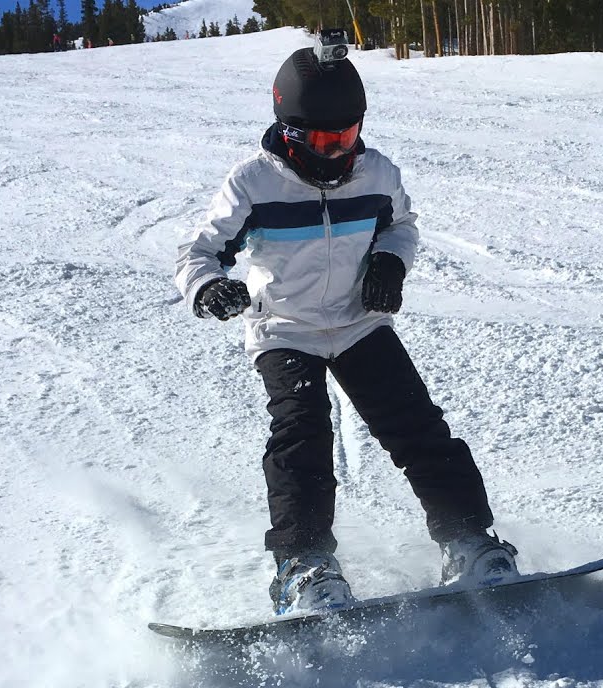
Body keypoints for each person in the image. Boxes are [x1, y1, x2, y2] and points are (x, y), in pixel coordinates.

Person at [174, 43, 519, 616]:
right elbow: (198, 251)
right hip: (287, 328)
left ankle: (470, 542)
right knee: (301, 436)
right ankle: (304, 565)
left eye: (349, 134)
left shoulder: (377, 172)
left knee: (418, 427)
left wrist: (389, 260)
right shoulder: (254, 183)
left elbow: (402, 226)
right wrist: (210, 287)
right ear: (290, 131)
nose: (339, 150)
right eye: (325, 140)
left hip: (360, 324)